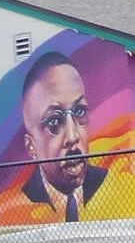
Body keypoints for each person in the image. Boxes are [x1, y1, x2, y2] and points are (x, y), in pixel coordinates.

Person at [15, 53, 109, 220]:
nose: (72, 137)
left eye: (79, 111)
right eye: (54, 121)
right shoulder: (17, 205)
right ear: (31, 146)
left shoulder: (110, 184)